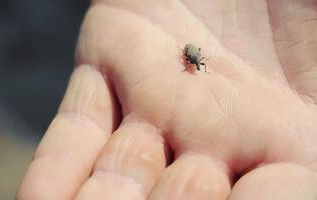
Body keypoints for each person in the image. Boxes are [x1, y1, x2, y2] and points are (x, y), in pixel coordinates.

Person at [17, 0, 317, 199]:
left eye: (195, 63)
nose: (193, 64)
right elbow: (186, 52)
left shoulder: (194, 59)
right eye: (193, 63)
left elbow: (191, 55)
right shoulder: (189, 55)